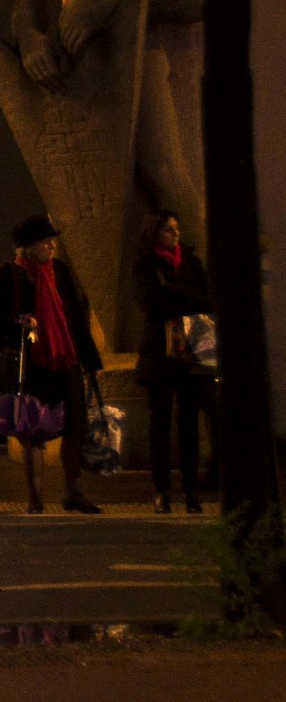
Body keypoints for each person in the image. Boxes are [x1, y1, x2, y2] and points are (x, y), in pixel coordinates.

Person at [0, 213, 105, 515]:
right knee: (33, 431)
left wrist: (92, 361)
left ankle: (73, 492)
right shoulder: (7, 276)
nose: (52, 245)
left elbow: (76, 318)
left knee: (75, 426)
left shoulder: (59, 272)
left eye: (52, 240)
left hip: (66, 359)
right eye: (45, 241)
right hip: (32, 363)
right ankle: (35, 498)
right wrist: (17, 326)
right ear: (27, 246)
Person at [133, 209, 210, 513]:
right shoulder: (147, 264)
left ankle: (190, 490)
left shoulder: (190, 261)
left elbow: (207, 299)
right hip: (159, 353)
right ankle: (161, 489)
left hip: (191, 350)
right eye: (168, 229)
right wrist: (184, 297)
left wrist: (174, 290)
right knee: (160, 422)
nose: (175, 233)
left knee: (189, 422)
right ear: (155, 233)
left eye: (176, 228)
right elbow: (151, 304)